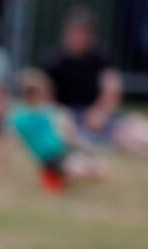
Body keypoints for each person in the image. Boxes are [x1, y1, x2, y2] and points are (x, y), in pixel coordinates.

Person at [41, 7, 148, 155]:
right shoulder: (52, 62)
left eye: (83, 32)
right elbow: (43, 97)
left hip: (100, 114)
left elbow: (112, 88)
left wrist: (100, 112)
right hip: (70, 119)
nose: (78, 37)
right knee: (124, 138)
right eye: (75, 31)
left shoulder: (102, 58)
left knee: (137, 126)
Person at [7, 68, 105, 193]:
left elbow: (70, 135)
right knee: (79, 171)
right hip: (50, 159)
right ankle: (58, 175)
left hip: (64, 151)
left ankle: (62, 175)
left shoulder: (50, 111)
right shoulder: (20, 116)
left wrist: (84, 147)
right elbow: (9, 142)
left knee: (96, 170)